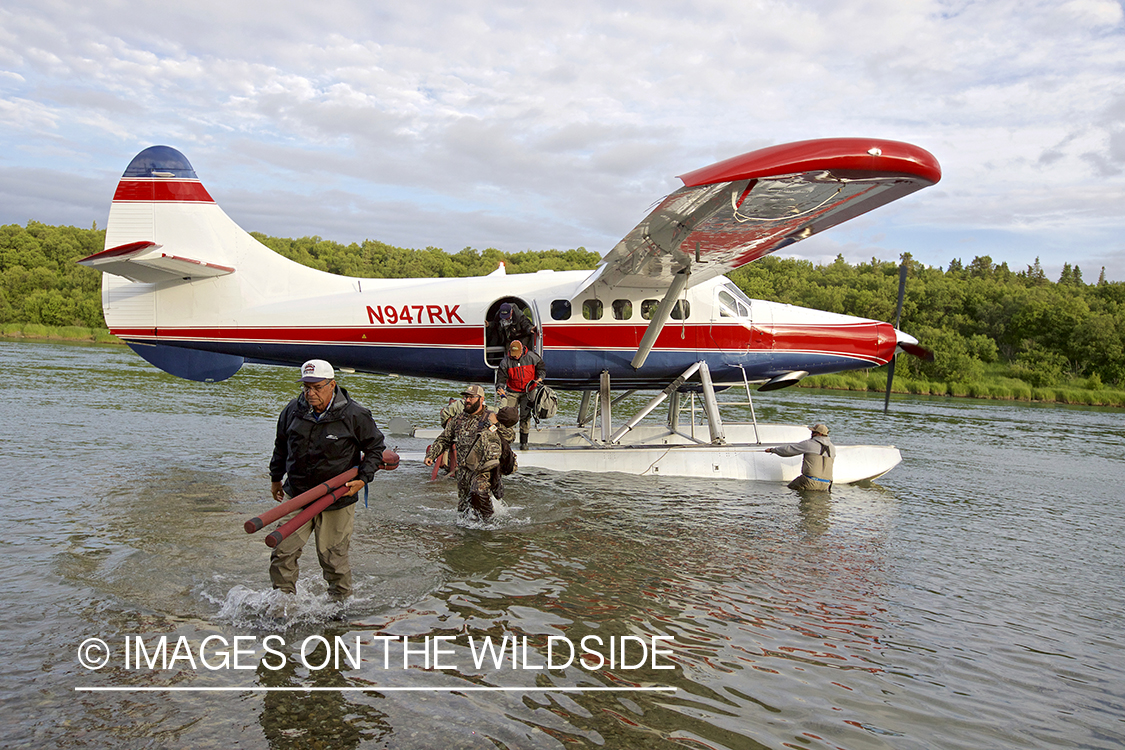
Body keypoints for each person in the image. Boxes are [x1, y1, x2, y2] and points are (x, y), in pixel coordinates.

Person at [268, 359, 386, 600]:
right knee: (282, 552)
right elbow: (281, 446)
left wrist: (363, 479)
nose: (310, 393)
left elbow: (375, 449)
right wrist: (276, 477)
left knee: (333, 559)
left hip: (337, 498)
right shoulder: (292, 411)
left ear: (332, 385)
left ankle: (339, 607)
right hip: (299, 493)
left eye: (317, 387)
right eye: (306, 387)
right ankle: (283, 604)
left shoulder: (355, 414)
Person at [424, 385, 514, 521]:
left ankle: (490, 524)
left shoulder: (491, 416)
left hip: (484, 469)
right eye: (466, 397)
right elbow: (444, 439)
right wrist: (431, 455)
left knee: (478, 491)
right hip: (464, 471)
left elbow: (510, 437)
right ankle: (470, 532)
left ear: (481, 399)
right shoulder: (458, 420)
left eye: (471, 397)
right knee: (464, 511)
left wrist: (496, 424)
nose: (467, 400)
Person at [496, 339, 546, 450]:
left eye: (517, 355)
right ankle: (506, 441)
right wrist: (500, 388)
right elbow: (501, 378)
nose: (515, 357)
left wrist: (540, 378)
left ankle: (524, 443)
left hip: (529, 391)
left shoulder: (532, 357)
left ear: (522, 350)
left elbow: (541, 368)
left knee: (525, 416)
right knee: (508, 416)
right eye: (513, 355)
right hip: (512, 391)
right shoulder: (505, 361)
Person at [765, 423, 836, 491]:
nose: (812, 434)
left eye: (814, 432)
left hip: (810, 481)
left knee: (788, 488)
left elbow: (788, 450)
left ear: (820, 434)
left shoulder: (810, 444)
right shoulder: (832, 448)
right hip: (826, 484)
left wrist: (773, 450)